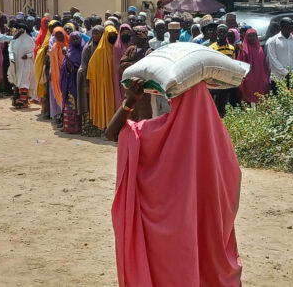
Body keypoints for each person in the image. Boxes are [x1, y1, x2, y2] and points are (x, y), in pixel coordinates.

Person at [104, 78, 242, 286]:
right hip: (205, 233)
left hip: (164, 241)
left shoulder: (158, 131)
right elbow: (232, 184)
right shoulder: (218, 137)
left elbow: (111, 133)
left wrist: (129, 102)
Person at [87, 25, 118, 130]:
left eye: (114, 35)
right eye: (110, 35)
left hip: (116, 83)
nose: (112, 37)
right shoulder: (100, 51)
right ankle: (106, 127)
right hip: (104, 84)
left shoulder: (118, 48)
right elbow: (91, 66)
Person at [119, 26, 153, 121]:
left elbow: (149, 69)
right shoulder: (131, 49)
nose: (131, 38)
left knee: (145, 112)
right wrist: (136, 65)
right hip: (131, 86)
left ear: (141, 36)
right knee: (131, 111)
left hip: (144, 88)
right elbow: (122, 65)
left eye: (133, 35)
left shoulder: (150, 52)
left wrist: (132, 66)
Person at [267, 17, 293, 91]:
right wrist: (285, 73)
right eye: (289, 24)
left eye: (292, 24)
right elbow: (273, 59)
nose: (291, 26)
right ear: (282, 26)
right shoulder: (273, 41)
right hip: (278, 79)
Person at [210, 24, 238, 117]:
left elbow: (233, 63)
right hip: (215, 81)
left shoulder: (231, 48)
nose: (221, 34)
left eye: (224, 32)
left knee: (223, 104)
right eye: (220, 32)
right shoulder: (212, 48)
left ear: (226, 34)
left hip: (226, 81)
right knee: (213, 104)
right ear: (217, 33)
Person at [60, 32, 84, 133]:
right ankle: (69, 127)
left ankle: (77, 127)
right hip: (69, 83)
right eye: (73, 39)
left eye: (77, 39)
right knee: (69, 104)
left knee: (78, 105)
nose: (75, 41)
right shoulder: (69, 51)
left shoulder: (84, 51)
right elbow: (67, 69)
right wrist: (67, 59)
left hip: (79, 83)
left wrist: (70, 61)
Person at [238, 28, 269, 103]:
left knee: (260, 100)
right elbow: (240, 66)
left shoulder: (260, 49)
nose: (252, 38)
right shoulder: (243, 50)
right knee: (247, 101)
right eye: (250, 36)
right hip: (248, 80)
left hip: (260, 79)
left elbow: (263, 65)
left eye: (254, 35)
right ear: (246, 37)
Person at [10, 23, 36, 108]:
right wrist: (12, 58)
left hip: (26, 64)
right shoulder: (15, 40)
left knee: (24, 82)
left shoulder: (29, 39)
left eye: (22, 29)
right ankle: (18, 100)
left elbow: (33, 51)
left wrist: (27, 55)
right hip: (17, 64)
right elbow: (11, 50)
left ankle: (23, 101)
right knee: (17, 82)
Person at [49, 26, 69, 124]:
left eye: (61, 33)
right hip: (59, 76)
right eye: (57, 34)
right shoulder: (54, 48)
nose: (59, 36)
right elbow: (53, 64)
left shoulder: (69, 45)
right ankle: (61, 116)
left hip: (69, 76)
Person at [113, 24, 133, 111]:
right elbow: (117, 64)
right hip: (121, 77)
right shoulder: (117, 46)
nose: (125, 34)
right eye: (123, 33)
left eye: (127, 32)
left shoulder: (132, 44)